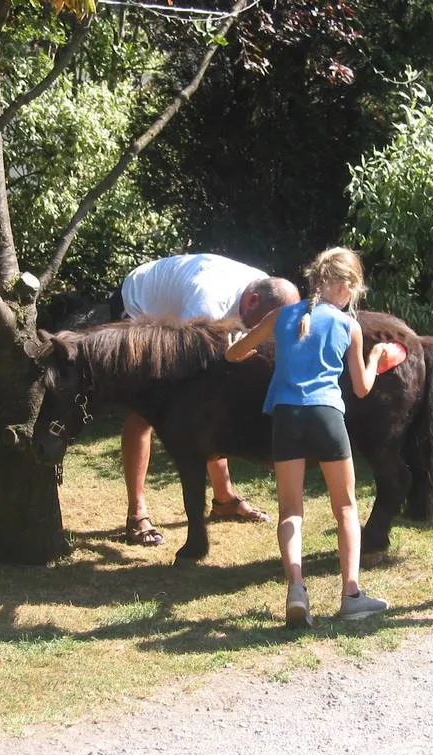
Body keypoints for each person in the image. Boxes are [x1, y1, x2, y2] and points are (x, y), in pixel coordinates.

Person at [226, 247, 392, 628]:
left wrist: (240, 346)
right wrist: (376, 358)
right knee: (346, 507)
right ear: (344, 286)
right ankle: (351, 595)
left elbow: (234, 354)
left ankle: (296, 590)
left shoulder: (280, 315)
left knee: (291, 511)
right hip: (327, 416)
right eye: (353, 289)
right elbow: (362, 388)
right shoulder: (349, 327)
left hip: (286, 417)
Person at [111, 253, 301, 546]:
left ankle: (224, 499)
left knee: (214, 399)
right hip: (140, 306)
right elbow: (186, 361)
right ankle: (137, 514)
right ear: (251, 302)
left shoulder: (264, 290)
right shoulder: (207, 301)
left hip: (183, 308)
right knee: (145, 410)